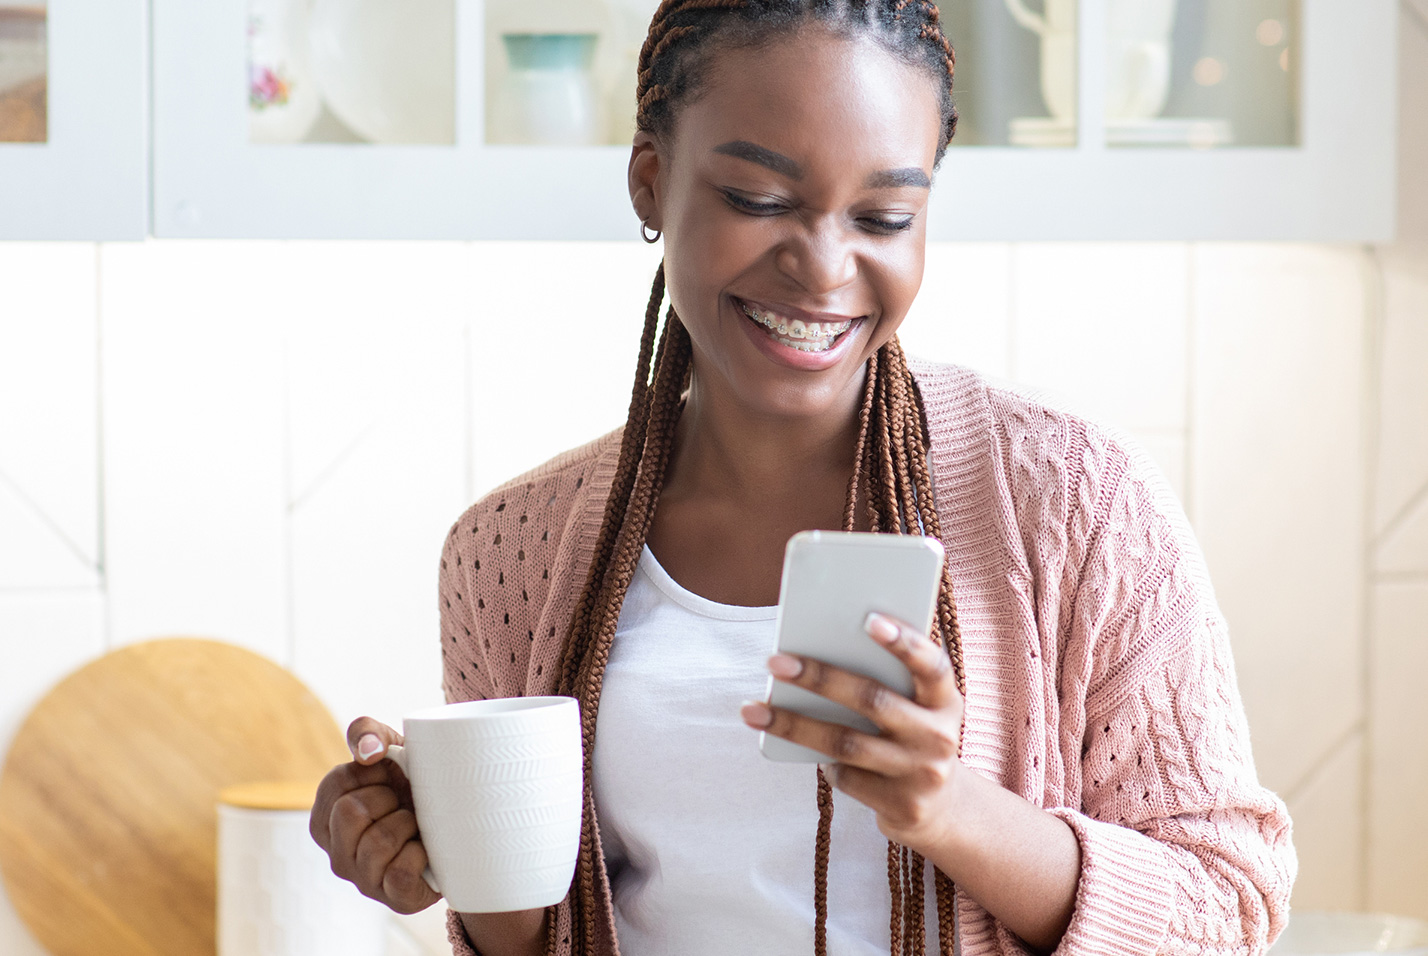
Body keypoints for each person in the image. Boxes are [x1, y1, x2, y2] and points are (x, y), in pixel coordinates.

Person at [310, 2, 1297, 954]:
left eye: (884, 213)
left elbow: (1230, 901)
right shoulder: (508, 551)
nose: (824, 266)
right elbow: (535, 937)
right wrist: (441, 850)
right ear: (651, 180)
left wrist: (950, 808)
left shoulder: (1073, 499)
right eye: (759, 199)